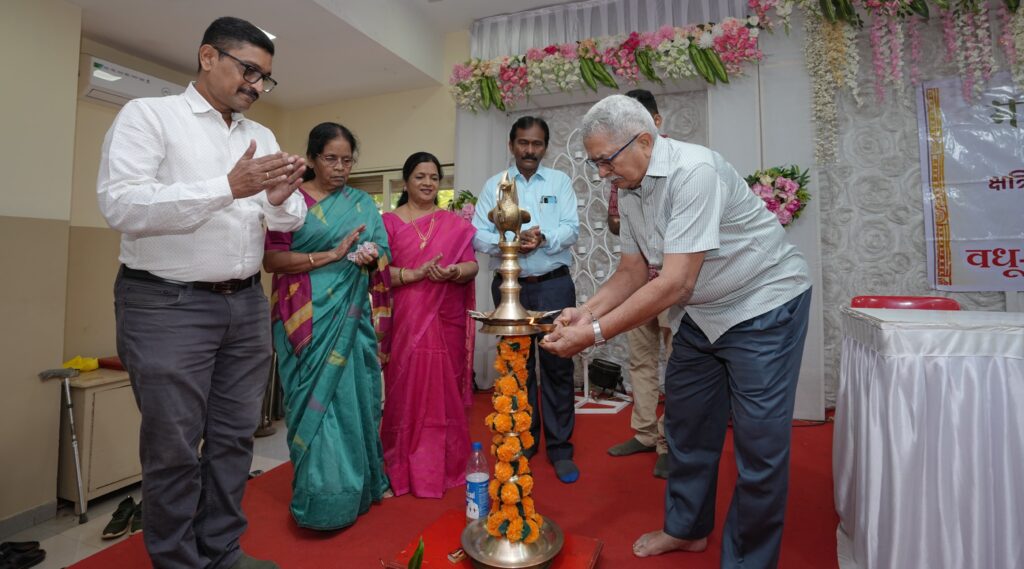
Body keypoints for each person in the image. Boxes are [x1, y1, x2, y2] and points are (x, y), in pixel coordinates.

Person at [541, 95, 812, 569]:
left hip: (764, 306)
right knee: (687, 425)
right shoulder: (628, 186)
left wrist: (596, 333)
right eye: (595, 162)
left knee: (759, 447)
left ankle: (749, 560)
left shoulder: (694, 171)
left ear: (645, 140)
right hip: (704, 316)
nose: (601, 172)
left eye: (607, 159)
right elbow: (632, 270)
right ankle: (687, 529)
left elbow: (674, 280)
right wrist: (585, 313)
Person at [98, 17, 306, 569]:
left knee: (236, 441)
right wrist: (227, 187)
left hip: (243, 302)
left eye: (266, 78)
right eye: (249, 70)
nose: (257, 86)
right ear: (208, 56)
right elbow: (124, 205)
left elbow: (286, 214)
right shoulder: (148, 116)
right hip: (166, 305)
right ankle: (177, 562)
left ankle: (220, 553)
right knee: (172, 449)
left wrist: (283, 198)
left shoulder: (260, 136)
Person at [263, 122, 392, 530]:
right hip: (303, 314)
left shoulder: (361, 203)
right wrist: (333, 255)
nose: (339, 168)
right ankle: (317, 498)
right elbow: (272, 262)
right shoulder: (289, 201)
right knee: (310, 405)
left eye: (347, 160)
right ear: (313, 158)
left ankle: (353, 490)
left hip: (349, 314)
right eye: (331, 159)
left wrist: (369, 255)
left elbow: (382, 252)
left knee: (352, 400)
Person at [471, 116, 581, 484]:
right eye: (523, 143)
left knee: (557, 365)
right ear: (511, 144)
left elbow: (572, 227)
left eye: (536, 144)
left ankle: (561, 448)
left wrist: (543, 237)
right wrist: (510, 243)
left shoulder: (560, 182)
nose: (529, 150)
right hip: (508, 286)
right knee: (517, 366)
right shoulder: (495, 186)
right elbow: (478, 235)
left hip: (552, 285)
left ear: (545, 146)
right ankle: (524, 441)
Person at [380, 152, 479, 498]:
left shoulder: (454, 224)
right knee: (405, 389)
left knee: (443, 390)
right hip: (406, 316)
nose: (427, 183)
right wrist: (412, 275)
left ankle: (445, 465)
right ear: (406, 181)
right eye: (420, 176)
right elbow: (378, 276)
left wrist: (454, 272)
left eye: (434, 177)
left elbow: (472, 267)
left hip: (445, 315)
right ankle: (402, 464)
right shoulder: (388, 223)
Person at [605, 89, 671, 479]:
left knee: (676, 366)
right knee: (640, 359)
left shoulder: (681, 169)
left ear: (654, 124)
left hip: (673, 287)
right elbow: (618, 226)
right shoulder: (621, 177)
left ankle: (668, 442)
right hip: (638, 282)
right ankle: (645, 433)